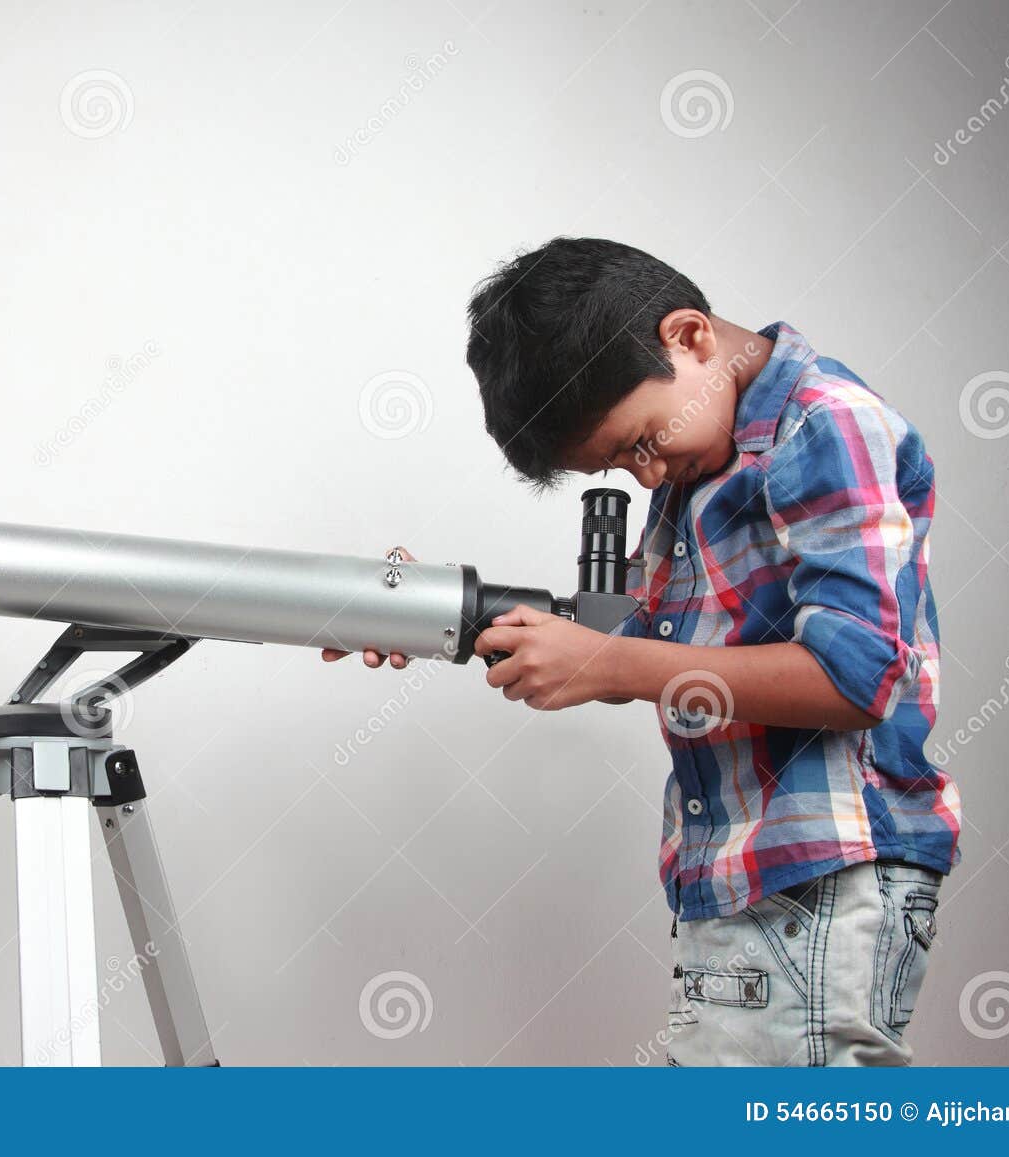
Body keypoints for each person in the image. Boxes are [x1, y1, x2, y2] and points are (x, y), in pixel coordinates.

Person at [323, 237, 960, 1065]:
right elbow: (623, 634)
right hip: (742, 878)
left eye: (640, 443)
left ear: (689, 336)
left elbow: (854, 675)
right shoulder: (701, 461)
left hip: (822, 875)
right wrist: (429, 614)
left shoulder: (826, 425)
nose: (648, 478)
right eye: (623, 465)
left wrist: (609, 666)